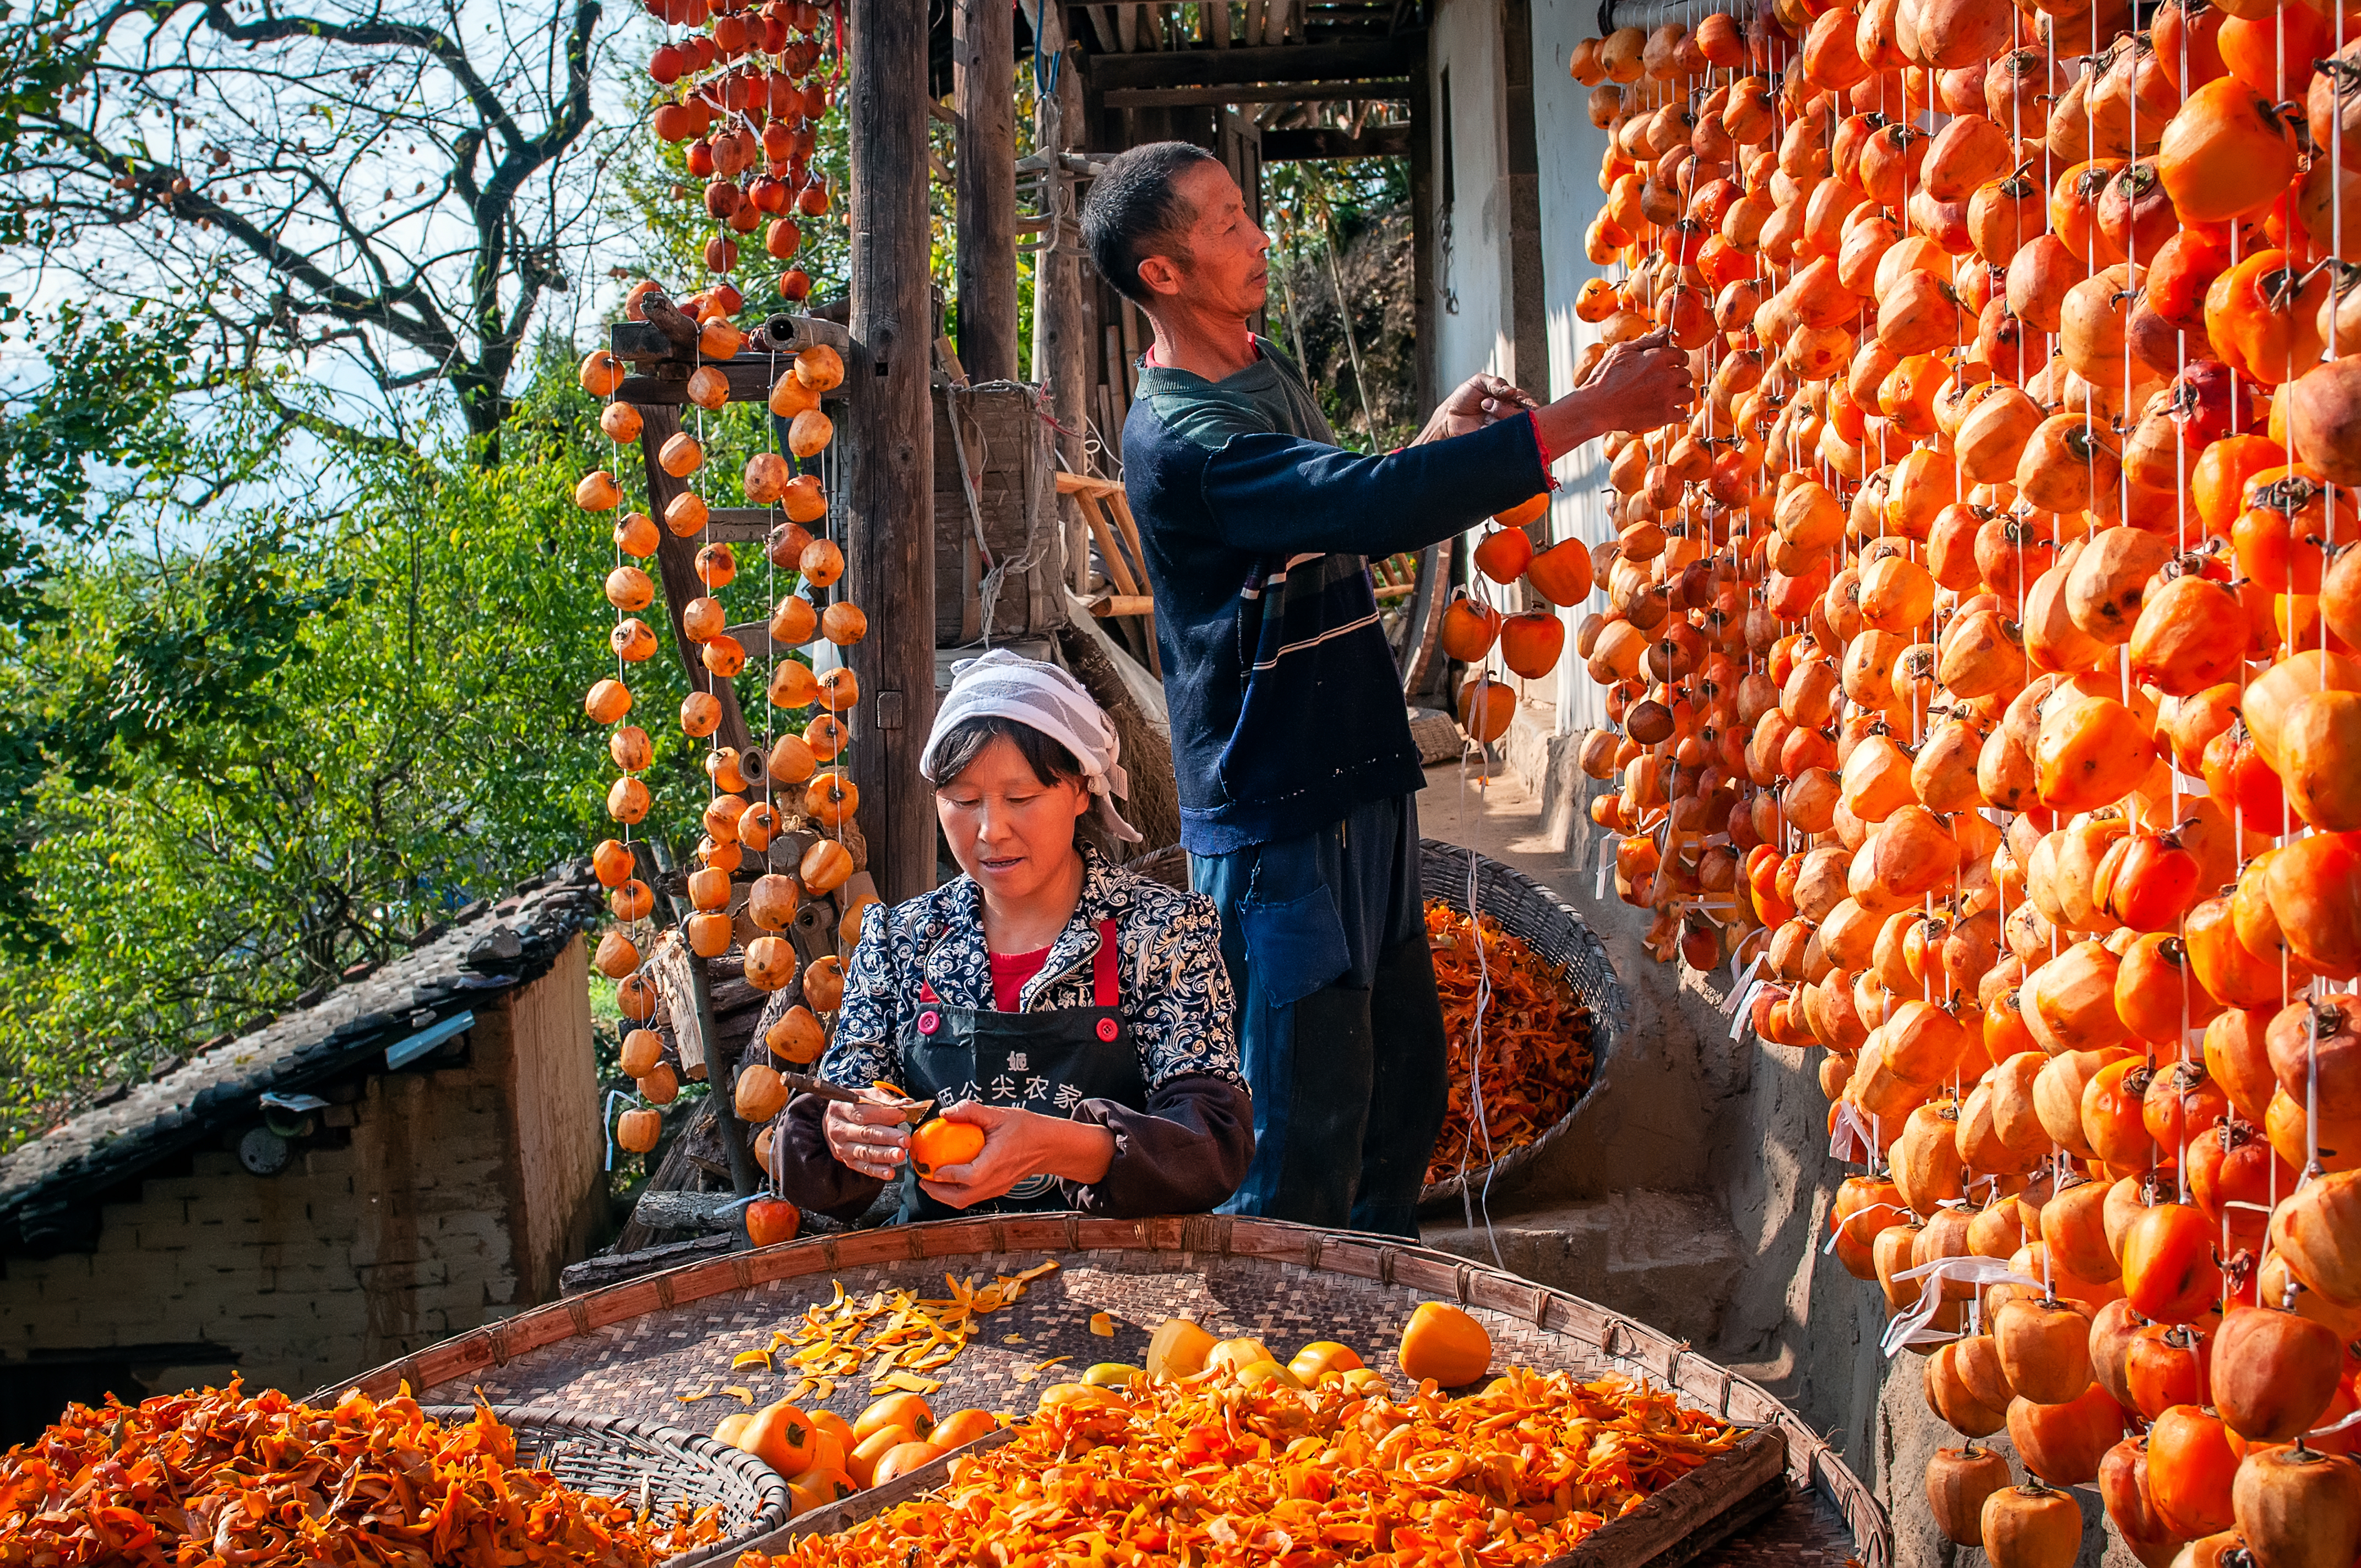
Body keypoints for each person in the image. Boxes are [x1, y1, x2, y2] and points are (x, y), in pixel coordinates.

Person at [1078, 141, 1695, 1236]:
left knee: (1397, 1095)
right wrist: (1588, 415)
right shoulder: (1184, 440)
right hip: (1279, 822)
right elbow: (1351, 507)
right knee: (1302, 1135)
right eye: (1223, 223)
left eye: (1242, 211)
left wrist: (1431, 447)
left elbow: (1329, 519)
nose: (1256, 234)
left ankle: (1374, 1352)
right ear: (1162, 274)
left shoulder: (1262, 379)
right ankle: (1282, 1361)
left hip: (1357, 784)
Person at [774, 648, 1254, 1222]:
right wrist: (846, 1130)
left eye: (1021, 798)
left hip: (1127, 1279)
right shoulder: (902, 941)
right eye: (963, 801)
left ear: (1082, 790)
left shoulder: (1159, 930)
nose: (990, 830)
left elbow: (1211, 1145)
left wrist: (1061, 1146)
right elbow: (824, 1152)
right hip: (943, 1291)